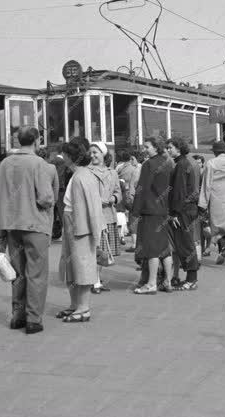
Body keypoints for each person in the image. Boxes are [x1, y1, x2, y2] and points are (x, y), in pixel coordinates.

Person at [0, 126, 58, 334]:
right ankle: (33, 319)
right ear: (37, 141)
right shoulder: (38, 163)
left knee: (18, 273)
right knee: (36, 274)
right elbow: (46, 198)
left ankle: (17, 315)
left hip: (11, 225)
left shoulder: (4, 164)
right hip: (34, 225)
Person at [56, 138, 106, 323]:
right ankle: (75, 304)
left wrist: (96, 234)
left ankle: (84, 308)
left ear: (70, 157)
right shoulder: (77, 175)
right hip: (73, 226)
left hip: (81, 228)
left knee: (82, 266)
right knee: (71, 266)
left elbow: (93, 208)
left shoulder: (83, 176)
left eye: (66, 154)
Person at [132, 136, 175, 294]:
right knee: (164, 248)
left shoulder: (148, 164)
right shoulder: (167, 163)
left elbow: (142, 188)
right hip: (163, 210)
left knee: (151, 249)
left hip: (150, 211)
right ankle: (167, 282)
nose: (144, 149)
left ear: (156, 148)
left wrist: (135, 210)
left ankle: (151, 284)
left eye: (147, 147)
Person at [87, 142, 122, 294]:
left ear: (103, 154)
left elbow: (118, 192)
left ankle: (96, 279)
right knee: (94, 250)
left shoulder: (112, 172)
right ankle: (93, 281)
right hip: (93, 216)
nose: (93, 155)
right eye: (91, 152)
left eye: (96, 152)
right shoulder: (86, 171)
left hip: (108, 215)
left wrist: (114, 199)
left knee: (103, 251)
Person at [167, 137, 201, 290]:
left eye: (171, 147)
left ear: (178, 149)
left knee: (185, 244)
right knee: (186, 243)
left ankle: (192, 279)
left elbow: (179, 192)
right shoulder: (184, 163)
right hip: (187, 209)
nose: (168, 150)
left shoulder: (180, 165)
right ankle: (190, 278)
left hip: (183, 211)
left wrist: (174, 213)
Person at [117, 149, 142, 253]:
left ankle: (135, 244)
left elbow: (132, 186)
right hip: (141, 198)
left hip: (132, 197)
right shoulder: (141, 167)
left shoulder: (133, 169)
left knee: (133, 219)